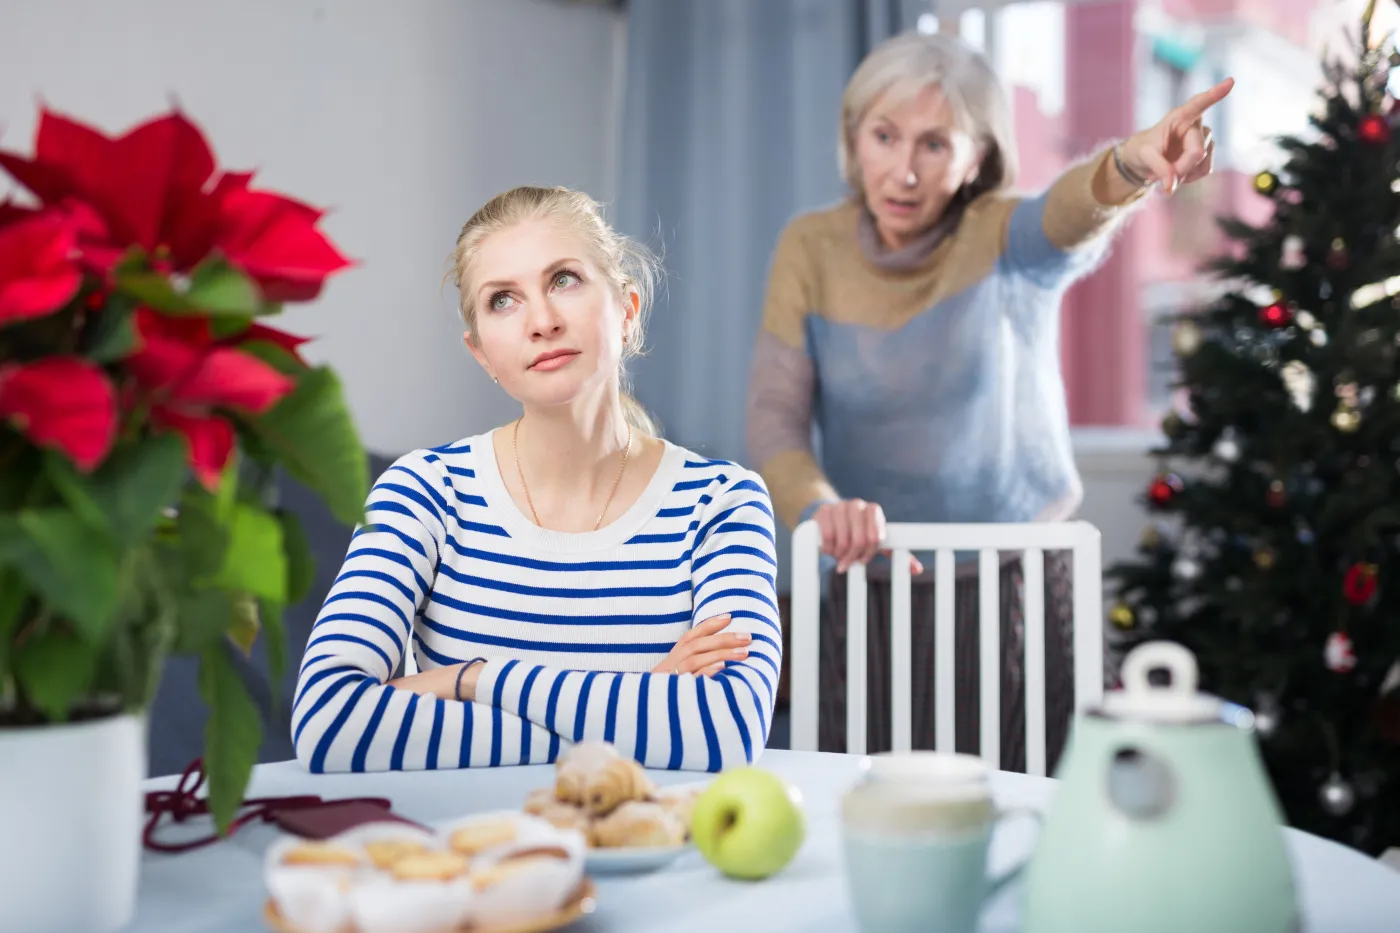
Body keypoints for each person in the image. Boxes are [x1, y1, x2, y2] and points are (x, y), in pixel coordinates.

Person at [746, 31, 1230, 768]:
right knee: (871, 805)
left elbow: (1068, 211)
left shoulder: (1003, 231)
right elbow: (775, 417)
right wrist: (821, 508)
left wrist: (1133, 162)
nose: (902, 171)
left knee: (1032, 801)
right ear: (854, 137)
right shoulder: (809, 247)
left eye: (936, 144)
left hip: (1018, 578)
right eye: (884, 136)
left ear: (979, 157)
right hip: (873, 579)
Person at [293, 186, 779, 773]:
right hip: (458, 858)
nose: (542, 322)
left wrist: (469, 680)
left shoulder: (723, 503)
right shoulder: (421, 491)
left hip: (651, 857)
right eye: (503, 300)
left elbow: (726, 730)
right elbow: (327, 723)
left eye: (564, 280)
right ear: (481, 354)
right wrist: (635, 720)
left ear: (626, 310)